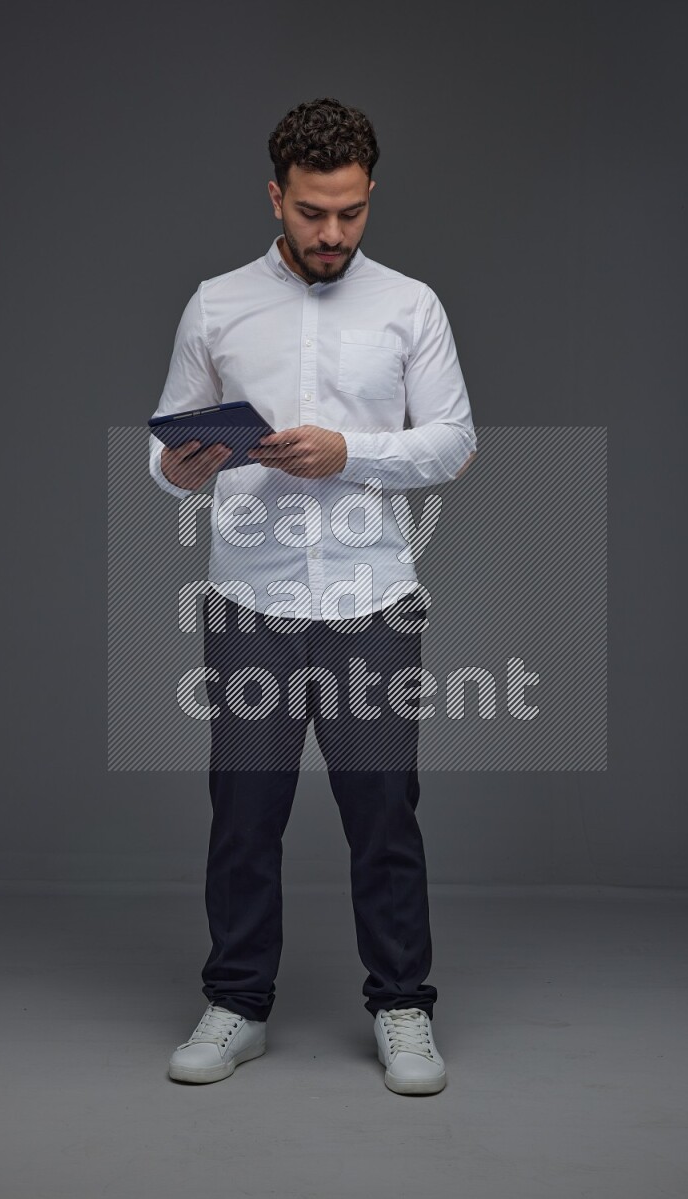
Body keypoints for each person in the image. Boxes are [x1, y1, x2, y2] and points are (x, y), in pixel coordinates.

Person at [148, 97, 477, 1095]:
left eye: (349, 212)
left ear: (368, 195)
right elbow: (162, 460)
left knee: (381, 808)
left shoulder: (410, 306)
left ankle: (402, 1005)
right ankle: (238, 1002)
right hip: (249, 600)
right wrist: (185, 468)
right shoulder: (214, 304)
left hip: (373, 597)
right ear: (275, 196)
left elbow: (454, 439)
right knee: (244, 809)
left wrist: (350, 451)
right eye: (310, 212)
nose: (330, 233)